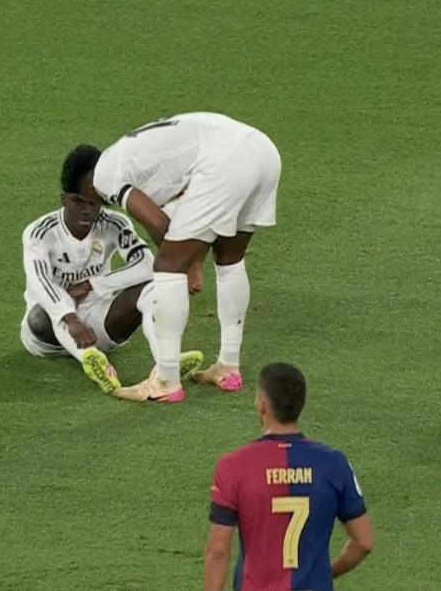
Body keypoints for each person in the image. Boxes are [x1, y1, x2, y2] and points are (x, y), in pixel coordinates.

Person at [91, 112, 281, 403]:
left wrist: (187, 266)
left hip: (226, 159)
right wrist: (193, 262)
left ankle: (166, 381)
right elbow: (193, 221)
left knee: (167, 266)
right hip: (263, 152)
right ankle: (228, 367)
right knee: (229, 259)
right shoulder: (140, 159)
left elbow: (159, 225)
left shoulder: (103, 176)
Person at [21, 146, 202, 393]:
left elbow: (147, 264)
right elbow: (38, 281)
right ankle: (90, 358)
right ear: (64, 199)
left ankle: (166, 362)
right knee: (42, 314)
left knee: (154, 289)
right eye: (78, 202)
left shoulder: (113, 224)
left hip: (98, 319)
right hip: (50, 330)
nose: (87, 210)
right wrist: (70, 318)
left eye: (94, 203)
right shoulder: (41, 233)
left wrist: (94, 284)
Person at [204, 363, 374, 591]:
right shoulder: (334, 464)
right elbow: (363, 542)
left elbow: (218, 550)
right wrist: (326, 573)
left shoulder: (234, 466)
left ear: (262, 406)